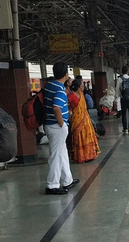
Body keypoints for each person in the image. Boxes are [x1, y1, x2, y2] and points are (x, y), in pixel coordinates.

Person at [43, 62, 79, 195]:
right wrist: (62, 124)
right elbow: (56, 107)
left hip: (50, 124)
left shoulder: (49, 85)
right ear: (66, 74)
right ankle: (52, 185)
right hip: (57, 126)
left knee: (62, 152)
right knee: (56, 155)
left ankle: (67, 180)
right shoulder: (59, 88)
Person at [68, 79, 101, 163]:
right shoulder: (70, 97)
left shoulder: (82, 95)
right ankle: (81, 156)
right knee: (79, 137)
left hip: (86, 121)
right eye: (82, 85)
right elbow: (68, 108)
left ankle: (90, 154)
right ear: (79, 86)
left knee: (87, 136)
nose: (83, 86)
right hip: (77, 121)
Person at [115, 66, 129, 136]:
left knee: (124, 114)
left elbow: (117, 90)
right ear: (128, 71)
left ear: (122, 71)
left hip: (123, 99)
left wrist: (117, 98)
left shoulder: (119, 79)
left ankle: (125, 129)